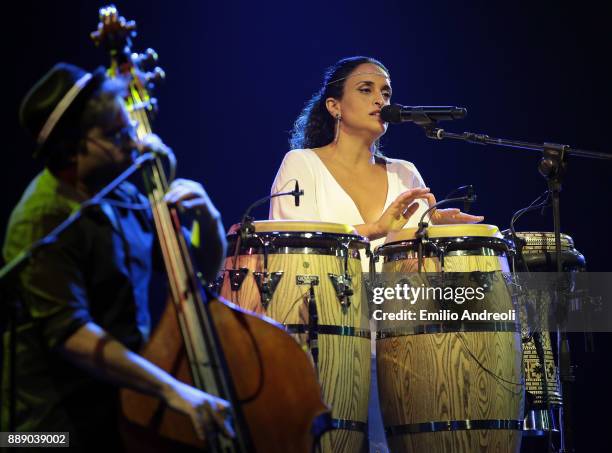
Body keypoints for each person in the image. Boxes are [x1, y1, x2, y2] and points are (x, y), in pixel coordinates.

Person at [1, 63, 232, 449]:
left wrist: (208, 220)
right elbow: (71, 335)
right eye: (117, 133)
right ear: (75, 148)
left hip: (118, 410)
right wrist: (175, 391)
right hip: (45, 428)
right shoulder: (43, 217)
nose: (135, 142)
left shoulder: (120, 193)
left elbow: (194, 275)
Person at [269, 56, 483, 452]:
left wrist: (439, 233)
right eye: (365, 89)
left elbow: (420, 269)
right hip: (330, 344)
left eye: (385, 92)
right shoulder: (302, 165)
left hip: (403, 346)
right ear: (334, 105)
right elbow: (293, 255)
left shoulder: (406, 173)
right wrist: (375, 230)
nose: (379, 99)